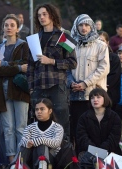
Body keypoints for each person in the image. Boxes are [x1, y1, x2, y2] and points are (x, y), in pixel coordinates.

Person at [27, 3, 77, 138]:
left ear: (52, 16)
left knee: (61, 124)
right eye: (39, 15)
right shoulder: (34, 39)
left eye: (44, 14)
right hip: (38, 87)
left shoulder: (63, 37)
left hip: (57, 86)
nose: (41, 17)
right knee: (39, 126)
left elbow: (73, 63)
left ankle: (64, 156)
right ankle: (42, 155)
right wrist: (31, 88)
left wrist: (51, 61)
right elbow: (30, 66)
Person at [0, 14, 30, 163]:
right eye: (6, 25)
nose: (9, 27)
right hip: (3, 92)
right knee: (7, 129)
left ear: (17, 28)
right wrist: (18, 67)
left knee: (21, 128)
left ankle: (21, 162)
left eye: (12, 25)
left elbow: (28, 66)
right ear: (3, 27)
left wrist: (5, 66)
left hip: (20, 91)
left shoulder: (23, 45)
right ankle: (10, 161)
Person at [68, 14, 109, 147]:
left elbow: (104, 68)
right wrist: (70, 82)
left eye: (87, 25)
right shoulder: (69, 44)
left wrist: (85, 83)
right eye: (81, 25)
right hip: (74, 95)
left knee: (95, 131)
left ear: (91, 26)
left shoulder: (101, 45)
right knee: (76, 131)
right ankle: (78, 160)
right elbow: (64, 67)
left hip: (93, 95)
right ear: (76, 26)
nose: (84, 28)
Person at [13, 98, 63, 168]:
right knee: (24, 146)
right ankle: (15, 165)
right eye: (37, 109)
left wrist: (38, 141)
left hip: (51, 159)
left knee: (42, 146)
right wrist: (27, 143)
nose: (39, 112)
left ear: (50, 111)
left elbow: (56, 143)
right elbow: (21, 143)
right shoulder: (30, 127)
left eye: (42, 109)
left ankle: (42, 166)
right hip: (32, 157)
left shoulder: (57, 127)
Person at [76, 88, 121, 155]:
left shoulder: (114, 117)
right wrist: (94, 150)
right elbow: (82, 137)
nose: (95, 100)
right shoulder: (84, 117)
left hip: (110, 152)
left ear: (105, 98)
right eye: (92, 98)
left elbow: (114, 137)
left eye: (98, 97)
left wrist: (101, 151)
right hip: (89, 153)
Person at [98, 31, 121, 111]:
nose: (100, 43)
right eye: (98, 41)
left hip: (110, 95)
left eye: (102, 41)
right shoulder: (93, 58)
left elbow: (114, 77)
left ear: (107, 43)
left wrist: (99, 84)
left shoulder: (114, 58)